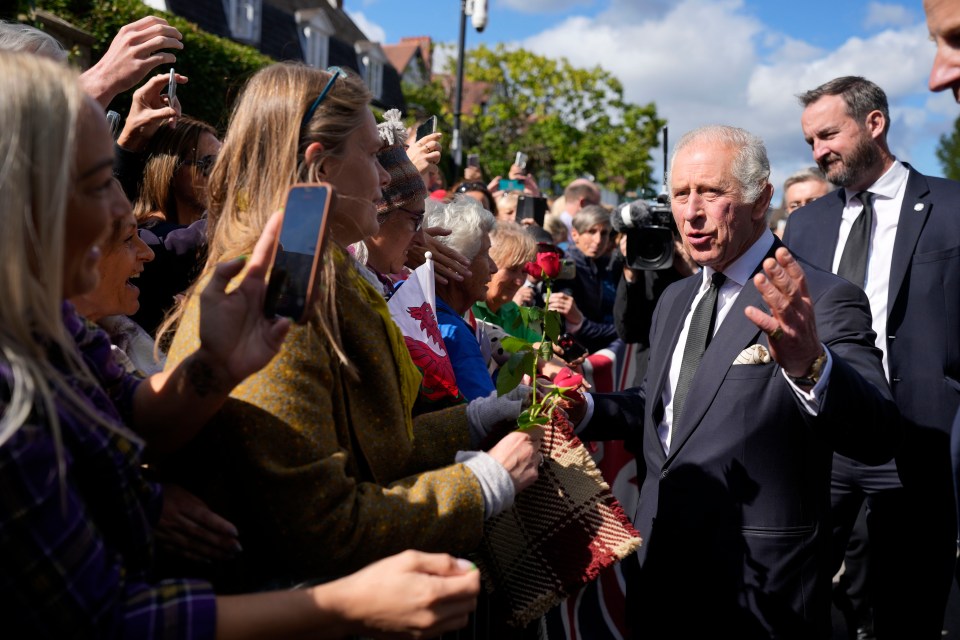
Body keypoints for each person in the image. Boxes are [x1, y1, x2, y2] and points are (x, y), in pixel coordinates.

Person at [0, 50, 481, 639]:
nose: (122, 211)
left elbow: (133, 416)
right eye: (101, 181)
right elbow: (104, 618)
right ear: (17, 200)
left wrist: (212, 368)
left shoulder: (46, 320)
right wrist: (341, 605)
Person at [160, 64, 542, 592]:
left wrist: (473, 421)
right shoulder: (274, 290)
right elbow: (316, 525)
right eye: (369, 155)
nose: (385, 176)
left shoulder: (321, 268)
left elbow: (370, 442)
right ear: (320, 169)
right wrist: (483, 484)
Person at [573, 125, 900, 638]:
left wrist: (809, 363)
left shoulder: (821, 297)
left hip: (762, 585)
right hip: (661, 566)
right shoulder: (677, 300)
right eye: (681, 194)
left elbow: (877, 429)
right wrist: (587, 410)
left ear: (759, 199)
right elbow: (672, 410)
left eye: (712, 192)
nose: (692, 212)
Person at [783, 75, 960, 639]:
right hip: (824, 440)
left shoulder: (952, 207)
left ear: (875, 123)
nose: (819, 151)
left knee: (911, 604)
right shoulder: (806, 224)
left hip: (920, 441)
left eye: (829, 134)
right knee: (798, 596)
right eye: (810, 141)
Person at [426, 195, 499, 401]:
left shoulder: (423, 311)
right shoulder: (454, 333)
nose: (494, 268)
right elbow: (487, 416)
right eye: (485, 255)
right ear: (455, 263)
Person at [549, 204, 621, 354]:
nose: (598, 240)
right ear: (575, 235)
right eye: (591, 232)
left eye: (604, 233)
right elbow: (575, 328)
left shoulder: (602, 263)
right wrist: (621, 330)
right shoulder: (566, 267)